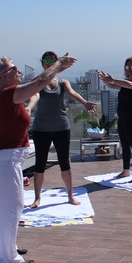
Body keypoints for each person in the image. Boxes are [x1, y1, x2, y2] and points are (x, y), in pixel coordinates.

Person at [0, 53, 76, 263]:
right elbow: (39, 82)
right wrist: (57, 65)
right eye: (14, 68)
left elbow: (37, 87)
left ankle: (8, 247)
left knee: (8, 207)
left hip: (9, 159)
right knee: (12, 206)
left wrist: (57, 70)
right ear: (5, 76)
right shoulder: (9, 94)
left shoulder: (11, 96)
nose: (18, 71)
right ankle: (9, 258)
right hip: (6, 160)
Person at [25, 51, 97, 208]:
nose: (49, 63)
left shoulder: (63, 83)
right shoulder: (38, 81)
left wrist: (85, 103)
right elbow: (34, 96)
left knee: (65, 163)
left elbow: (72, 93)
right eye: (46, 60)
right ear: (42, 63)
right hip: (41, 129)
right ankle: (37, 198)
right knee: (40, 164)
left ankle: (70, 195)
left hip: (61, 128)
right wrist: (29, 108)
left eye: (52, 60)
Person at [99, 57, 132, 182]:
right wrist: (106, 81)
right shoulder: (126, 82)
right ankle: (126, 171)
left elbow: (131, 85)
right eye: (127, 67)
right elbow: (114, 85)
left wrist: (113, 80)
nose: (129, 69)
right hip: (123, 117)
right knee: (125, 144)